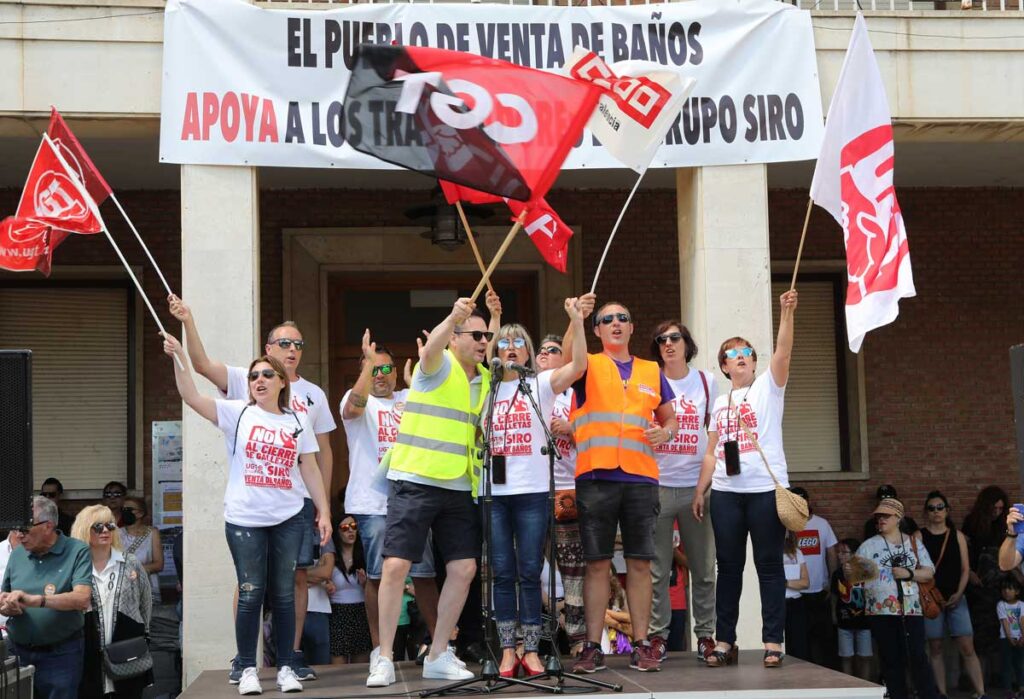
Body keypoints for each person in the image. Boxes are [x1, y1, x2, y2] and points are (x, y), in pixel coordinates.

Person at [169, 295, 337, 682]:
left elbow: (310, 465)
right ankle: (245, 666)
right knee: (250, 591)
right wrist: (179, 351)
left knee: (283, 592)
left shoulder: (298, 419)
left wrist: (324, 510)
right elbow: (192, 394)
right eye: (254, 376)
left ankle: (285, 668)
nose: (259, 380)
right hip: (244, 517)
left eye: (266, 376)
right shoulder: (236, 411)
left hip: (289, 515)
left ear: (281, 382)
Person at [365, 297, 490, 688]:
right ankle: (383, 657)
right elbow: (434, 346)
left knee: (464, 569)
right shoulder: (437, 365)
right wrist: (453, 317)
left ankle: (437, 654)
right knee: (395, 567)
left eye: (488, 335)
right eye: (476, 334)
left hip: (458, 485)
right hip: (416, 479)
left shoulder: (484, 379)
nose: (485, 341)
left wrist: (494, 318)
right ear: (456, 338)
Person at [569, 300, 678, 674]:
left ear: (632, 329)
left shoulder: (651, 369)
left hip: (640, 478)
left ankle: (643, 642)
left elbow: (670, 416)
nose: (615, 323)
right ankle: (591, 645)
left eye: (623, 318)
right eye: (606, 320)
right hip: (597, 476)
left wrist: (667, 431)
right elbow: (571, 354)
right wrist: (576, 320)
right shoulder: (588, 364)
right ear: (597, 330)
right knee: (597, 564)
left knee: (640, 564)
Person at [693, 289, 799, 669]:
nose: (740, 360)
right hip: (725, 492)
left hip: (763, 492)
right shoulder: (719, 403)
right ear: (723, 367)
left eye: (746, 354)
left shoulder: (768, 390)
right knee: (728, 567)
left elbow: (783, 353)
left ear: (755, 362)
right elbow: (711, 451)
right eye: (731, 356)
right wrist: (701, 489)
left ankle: (773, 642)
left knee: (769, 566)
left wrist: (786, 314)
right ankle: (725, 641)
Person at [484, 296, 588, 678]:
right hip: (494, 494)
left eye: (518, 343)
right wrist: (495, 317)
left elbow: (577, 365)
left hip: (531, 492)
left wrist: (576, 321)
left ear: (529, 353)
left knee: (530, 570)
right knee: (501, 572)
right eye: (504, 344)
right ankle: (507, 649)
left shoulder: (541, 384)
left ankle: (532, 650)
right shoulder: (485, 387)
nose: (511, 349)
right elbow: (485, 352)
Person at [340, 330, 439, 660]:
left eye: (386, 369)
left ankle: (438, 646)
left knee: (424, 573)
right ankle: (381, 649)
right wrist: (367, 367)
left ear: (396, 372)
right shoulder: (356, 400)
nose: (380, 375)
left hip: (413, 499)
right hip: (373, 503)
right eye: (373, 369)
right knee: (380, 576)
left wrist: (418, 383)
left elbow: (435, 416)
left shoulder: (408, 398)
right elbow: (353, 409)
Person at [646, 320, 717, 663]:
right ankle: (658, 637)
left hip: (695, 486)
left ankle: (705, 636)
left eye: (675, 338)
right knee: (658, 569)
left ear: (687, 344)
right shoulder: (649, 380)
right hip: (657, 485)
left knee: (703, 567)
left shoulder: (706, 381)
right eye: (662, 340)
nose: (668, 344)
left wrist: (704, 486)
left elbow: (714, 436)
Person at [0, 495, 92, 699]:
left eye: (24, 529)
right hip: (18, 651)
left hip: (60, 654)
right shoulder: (17, 554)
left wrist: (37, 600)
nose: (19, 535)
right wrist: (7, 605)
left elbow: (82, 598)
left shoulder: (77, 551)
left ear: (48, 526)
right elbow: (3, 595)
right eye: (16, 529)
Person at [852, 497, 939, 699]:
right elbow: (853, 579)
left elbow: (929, 572)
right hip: (880, 612)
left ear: (898, 518)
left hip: (911, 609)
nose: (881, 519)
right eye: (879, 516)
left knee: (917, 657)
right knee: (890, 660)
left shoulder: (913, 543)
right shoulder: (868, 546)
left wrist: (908, 574)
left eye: (886, 516)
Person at [73, 504, 153, 699]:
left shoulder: (130, 562)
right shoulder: (75, 566)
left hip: (126, 648)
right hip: (87, 650)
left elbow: (145, 602)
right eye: (98, 526)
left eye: (110, 525)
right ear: (85, 530)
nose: (106, 531)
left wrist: (144, 632)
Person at [538, 333, 587, 654]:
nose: (544, 354)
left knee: (572, 571)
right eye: (540, 350)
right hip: (531, 491)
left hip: (568, 490)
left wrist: (572, 428)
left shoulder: (577, 397)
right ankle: (534, 641)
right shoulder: (529, 393)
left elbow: (598, 443)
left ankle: (578, 638)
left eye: (552, 350)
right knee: (526, 567)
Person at [916, 490, 987, 699]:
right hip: (931, 599)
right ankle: (942, 692)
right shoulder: (919, 536)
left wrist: (959, 592)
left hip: (957, 597)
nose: (936, 512)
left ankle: (981, 692)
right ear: (926, 512)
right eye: (931, 508)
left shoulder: (957, 536)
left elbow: (966, 569)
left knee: (967, 645)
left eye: (940, 507)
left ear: (947, 511)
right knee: (935, 647)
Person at [790, 486, 839, 669]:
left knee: (825, 638)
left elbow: (831, 554)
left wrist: (831, 582)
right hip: (796, 592)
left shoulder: (822, 524)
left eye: (804, 500)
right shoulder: (788, 525)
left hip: (819, 590)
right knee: (801, 640)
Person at [969, 486, 1012, 670]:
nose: (997, 513)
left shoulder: (1004, 526)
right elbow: (968, 553)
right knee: (982, 633)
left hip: (1002, 584)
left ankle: (1001, 675)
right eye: (993, 509)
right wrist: (970, 573)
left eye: (1000, 509)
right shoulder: (973, 524)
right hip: (980, 587)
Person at [329, 516, 373, 664]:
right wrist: (325, 585)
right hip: (337, 613)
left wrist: (366, 584)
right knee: (337, 667)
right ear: (337, 532)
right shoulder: (331, 558)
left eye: (354, 526)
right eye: (345, 528)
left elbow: (377, 590)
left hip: (361, 611)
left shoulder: (365, 555)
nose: (350, 530)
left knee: (360, 668)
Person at [832, 538, 872, 680]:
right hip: (844, 621)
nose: (840, 555)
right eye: (839, 552)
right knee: (846, 656)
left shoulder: (865, 572)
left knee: (865, 656)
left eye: (845, 552)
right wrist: (833, 614)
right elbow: (835, 596)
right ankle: (848, 688)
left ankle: (865, 686)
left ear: (855, 554)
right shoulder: (837, 574)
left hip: (864, 621)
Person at [119, 497, 164, 605]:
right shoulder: (116, 533)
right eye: (123, 509)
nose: (125, 512)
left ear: (140, 513)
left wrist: (133, 570)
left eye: (128, 509)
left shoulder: (152, 533)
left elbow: (159, 565)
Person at [783, 530, 810, 661]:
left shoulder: (797, 553)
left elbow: (805, 582)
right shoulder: (770, 552)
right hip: (778, 602)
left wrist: (785, 582)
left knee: (798, 641)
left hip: (795, 601)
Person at [997, 576, 1024, 697]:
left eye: (1010, 589)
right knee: (1006, 664)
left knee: (1020, 664)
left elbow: (1022, 621)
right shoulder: (1001, 605)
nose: (1006, 591)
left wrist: (1023, 637)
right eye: (1004, 589)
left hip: (1020, 639)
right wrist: (1009, 638)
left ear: (1017, 591)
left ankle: (1021, 688)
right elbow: (1005, 623)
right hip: (1005, 639)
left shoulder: (1021, 605)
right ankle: (1008, 690)